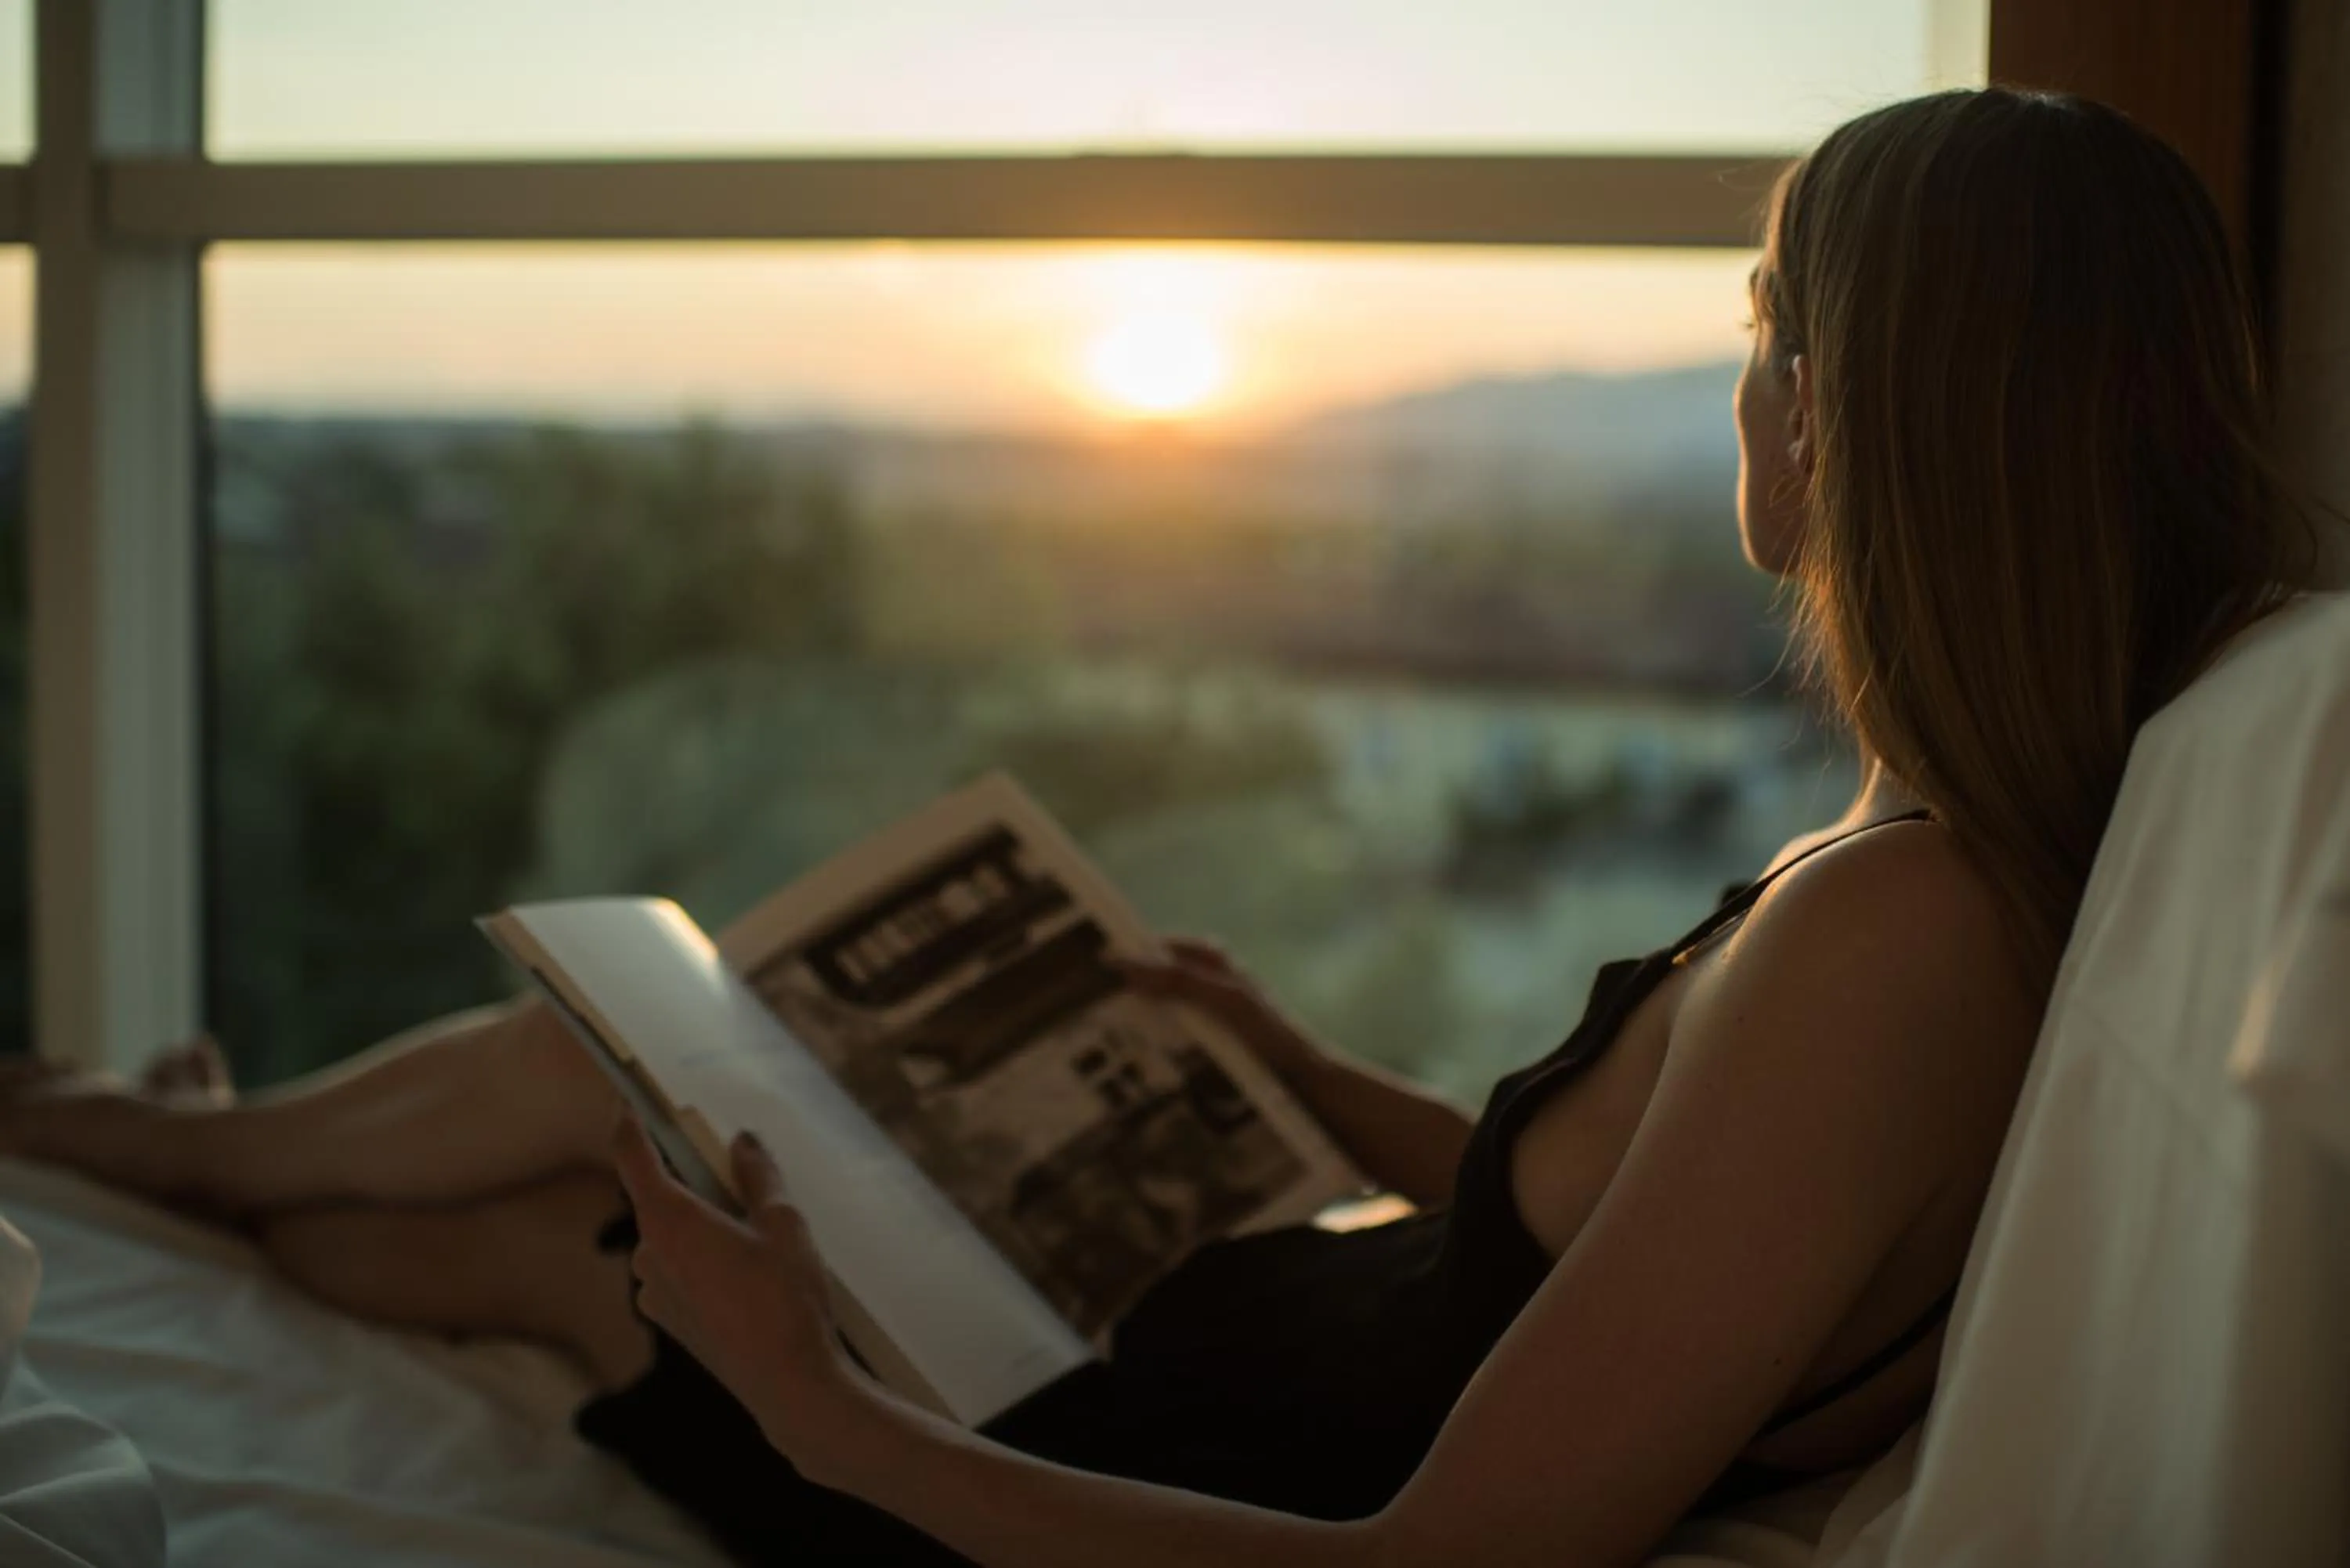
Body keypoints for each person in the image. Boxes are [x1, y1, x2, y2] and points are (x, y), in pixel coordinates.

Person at [2, 87, 2322, 1568]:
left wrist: (820, 1412)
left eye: (1762, 328)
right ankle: (174, 1144)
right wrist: (1306, 1077)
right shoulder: (1946, 868)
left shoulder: (1901, 934)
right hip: (1195, 1338)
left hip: (1108, 1459)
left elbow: (1449, 1562)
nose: (1747, 384)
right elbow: (1631, 1250)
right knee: (609, 1094)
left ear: (1827, 412)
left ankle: (132, 1147)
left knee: (558, 1199)